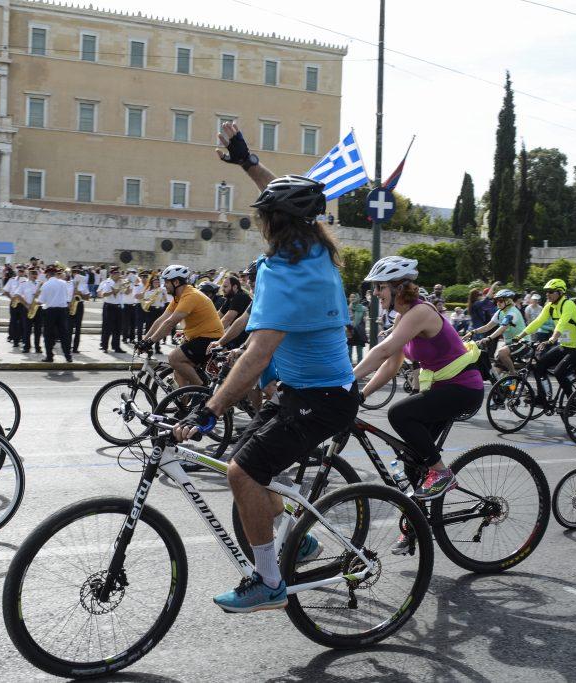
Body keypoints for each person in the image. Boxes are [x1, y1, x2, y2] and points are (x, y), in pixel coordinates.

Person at [173, 123, 358, 613]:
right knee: (250, 461)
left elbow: (256, 356)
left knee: (241, 473)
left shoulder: (283, 274)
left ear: (273, 223)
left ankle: (268, 582)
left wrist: (208, 410)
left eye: (264, 217)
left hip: (320, 399)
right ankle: (303, 541)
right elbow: (293, 198)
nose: (260, 222)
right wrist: (247, 160)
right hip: (310, 390)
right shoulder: (317, 249)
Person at [355, 256, 483, 512]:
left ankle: (442, 473)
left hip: (463, 389)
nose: (376, 293)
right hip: (442, 389)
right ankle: (417, 524)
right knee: (413, 461)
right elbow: (391, 364)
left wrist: (345, 380)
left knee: (399, 414)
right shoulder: (403, 319)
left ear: (397, 287)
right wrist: (361, 395)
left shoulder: (421, 312)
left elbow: (384, 349)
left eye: (380, 287)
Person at [139, 264, 224, 388]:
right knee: (179, 373)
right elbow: (161, 320)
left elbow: (170, 323)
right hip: (198, 338)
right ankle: (184, 405)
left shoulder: (190, 296)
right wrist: (144, 340)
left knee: (174, 358)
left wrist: (150, 342)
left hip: (210, 339)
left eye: (166, 282)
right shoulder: (178, 297)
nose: (164, 285)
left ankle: (201, 388)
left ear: (176, 282)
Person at [514, 278, 576, 407]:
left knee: (559, 372)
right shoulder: (550, 306)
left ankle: (573, 402)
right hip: (564, 345)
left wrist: (551, 340)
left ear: (560, 292)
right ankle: (542, 398)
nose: (547, 294)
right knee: (539, 367)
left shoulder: (568, 304)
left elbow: (562, 323)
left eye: (550, 291)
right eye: (546, 292)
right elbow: (538, 322)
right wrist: (520, 336)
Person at [466, 288, 525, 373]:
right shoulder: (499, 312)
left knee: (502, 353)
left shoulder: (512, 313)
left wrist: (488, 338)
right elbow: (487, 327)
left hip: (522, 342)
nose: (498, 303)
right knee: (496, 372)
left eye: (500, 301)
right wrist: (472, 332)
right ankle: (505, 383)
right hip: (509, 344)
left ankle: (513, 373)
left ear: (508, 301)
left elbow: (502, 328)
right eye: (496, 301)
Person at [38, 265, 72, 362]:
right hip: (62, 310)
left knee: (48, 334)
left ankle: (49, 356)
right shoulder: (64, 283)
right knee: (64, 334)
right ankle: (68, 356)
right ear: (55, 274)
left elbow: (41, 301)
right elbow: (67, 297)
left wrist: (35, 299)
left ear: (47, 274)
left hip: (50, 311)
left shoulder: (45, 285)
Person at [218, 275, 251, 349]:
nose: (223, 289)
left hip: (244, 335)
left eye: (225, 287)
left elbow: (227, 319)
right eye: (223, 286)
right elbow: (217, 316)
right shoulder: (230, 298)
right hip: (236, 332)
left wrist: (211, 333)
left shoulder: (240, 296)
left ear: (235, 287)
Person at [97, 266, 125, 353]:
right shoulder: (107, 282)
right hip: (109, 306)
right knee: (107, 328)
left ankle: (116, 347)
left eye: (119, 273)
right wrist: (114, 291)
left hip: (118, 307)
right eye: (117, 273)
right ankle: (104, 346)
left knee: (118, 328)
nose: (119, 275)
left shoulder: (121, 282)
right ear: (113, 274)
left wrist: (124, 286)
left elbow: (126, 292)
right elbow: (103, 294)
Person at [348, 292, 368, 363]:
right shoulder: (347, 309)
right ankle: (349, 367)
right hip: (349, 331)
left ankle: (360, 365)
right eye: (351, 297)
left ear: (358, 298)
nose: (353, 298)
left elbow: (365, 320)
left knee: (359, 351)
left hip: (359, 331)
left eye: (354, 297)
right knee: (349, 351)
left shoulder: (363, 309)